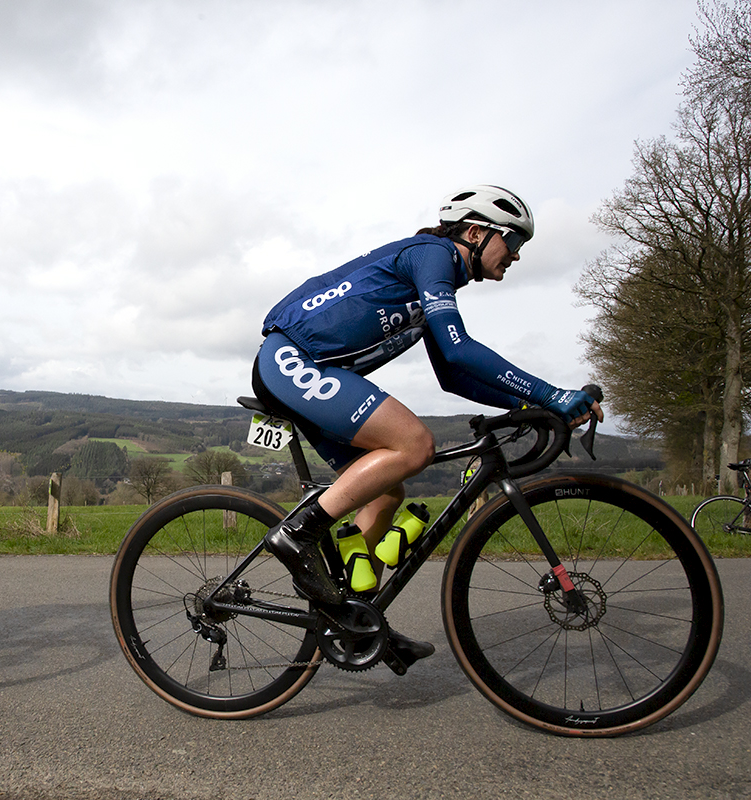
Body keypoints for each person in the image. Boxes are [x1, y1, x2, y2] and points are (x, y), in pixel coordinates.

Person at [253, 185, 602, 666]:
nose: (517, 256)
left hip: (312, 367)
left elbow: (452, 373)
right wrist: (549, 394)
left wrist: (525, 407)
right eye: (514, 243)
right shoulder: (432, 255)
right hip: (292, 357)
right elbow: (460, 349)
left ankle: (354, 618)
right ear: (477, 232)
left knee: (385, 492)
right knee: (414, 444)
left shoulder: (438, 278)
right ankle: (297, 535)